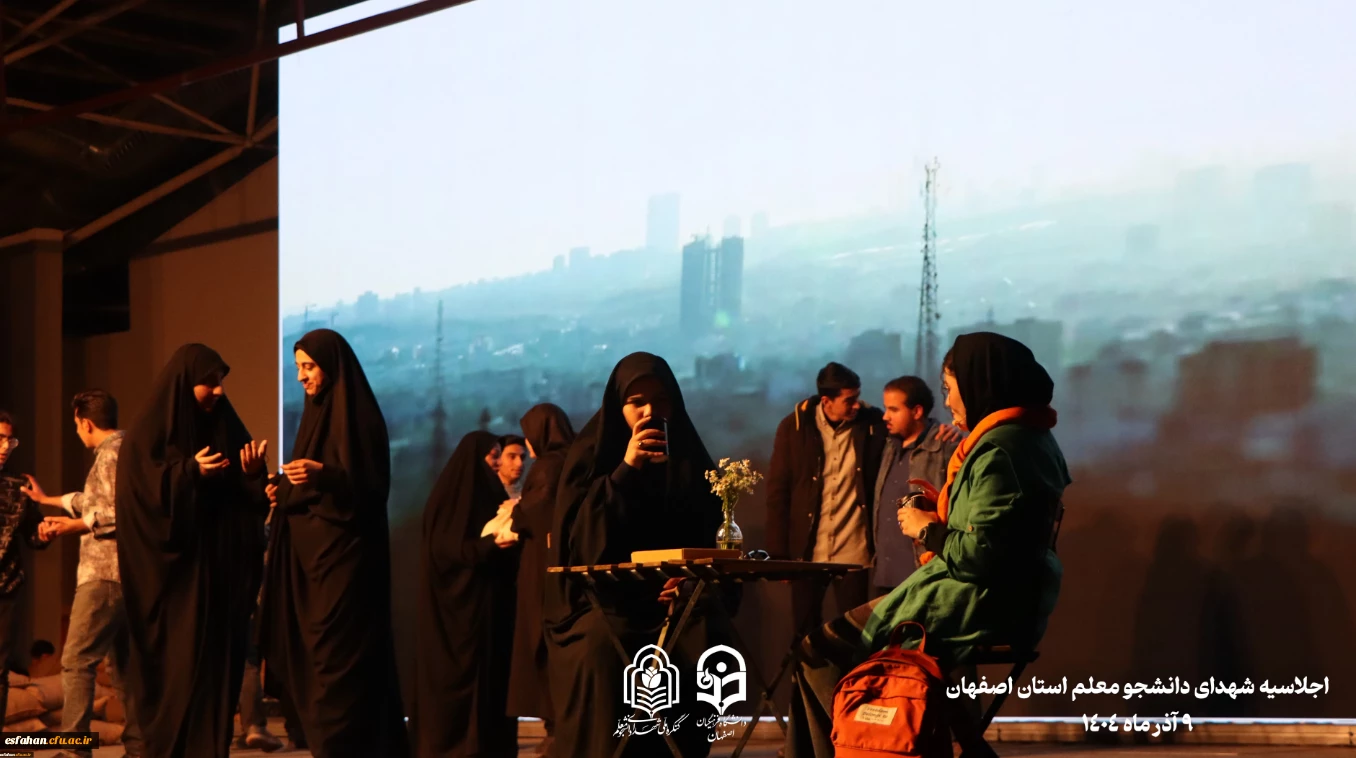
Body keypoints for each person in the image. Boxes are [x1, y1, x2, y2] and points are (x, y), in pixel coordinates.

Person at [783, 333, 1071, 758]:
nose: (948, 401)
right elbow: (998, 533)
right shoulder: (1028, 439)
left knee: (817, 653)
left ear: (979, 385)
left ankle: (859, 743)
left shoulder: (1001, 452)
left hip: (974, 601)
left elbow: (982, 555)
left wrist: (926, 529)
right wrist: (942, 513)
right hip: (1000, 598)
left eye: (951, 388)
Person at [543, 352, 725, 758]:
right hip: (602, 602)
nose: (649, 412)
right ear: (618, 406)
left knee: (705, 635)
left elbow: (709, 537)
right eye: (636, 402)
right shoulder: (590, 456)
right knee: (602, 648)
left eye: (660, 401)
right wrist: (626, 469)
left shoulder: (690, 459)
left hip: (668, 601)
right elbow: (580, 545)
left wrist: (689, 583)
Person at [258, 328, 409, 758]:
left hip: (346, 569)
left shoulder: (360, 420)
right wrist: (281, 490)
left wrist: (324, 476)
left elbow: (370, 488)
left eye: (309, 367)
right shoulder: (314, 417)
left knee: (340, 669)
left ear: (332, 366)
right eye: (298, 368)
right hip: (312, 570)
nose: (301, 377)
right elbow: (305, 489)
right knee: (316, 667)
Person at [115, 344, 270, 758]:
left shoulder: (226, 427)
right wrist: (188, 472)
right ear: (185, 384)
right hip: (174, 590)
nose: (219, 391)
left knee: (214, 677)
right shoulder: (148, 435)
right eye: (209, 382)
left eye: (221, 382)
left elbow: (247, 501)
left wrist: (253, 477)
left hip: (219, 585)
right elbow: (139, 496)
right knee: (178, 674)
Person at [767, 363, 958, 634]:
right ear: (826, 401)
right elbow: (778, 490)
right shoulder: (796, 427)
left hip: (854, 551)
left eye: (857, 397)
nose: (857, 405)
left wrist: (944, 430)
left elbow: (917, 429)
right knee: (804, 632)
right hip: (808, 552)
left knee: (855, 632)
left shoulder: (872, 423)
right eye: (849, 400)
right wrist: (779, 553)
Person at [21, 390, 144, 758]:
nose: (76, 431)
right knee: (124, 667)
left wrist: (71, 526)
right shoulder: (122, 451)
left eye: (76, 425)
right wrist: (48, 501)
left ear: (86, 423)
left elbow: (118, 513)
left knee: (76, 662)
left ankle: (74, 748)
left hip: (104, 575)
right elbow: (92, 501)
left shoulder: (111, 455)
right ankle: (141, 747)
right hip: (124, 576)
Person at [414, 430, 520, 757]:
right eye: (493, 455)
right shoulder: (449, 500)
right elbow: (446, 551)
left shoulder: (492, 496)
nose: (498, 462)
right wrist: (488, 546)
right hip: (455, 617)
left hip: (487, 612)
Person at [506, 404, 576, 757]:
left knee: (541, 643)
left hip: (542, 568)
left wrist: (516, 512)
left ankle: (556, 731)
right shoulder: (572, 460)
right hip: (557, 567)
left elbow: (536, 509)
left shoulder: (549, 465)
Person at [871, 376, 962, 597]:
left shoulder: (945, 445)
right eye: (885, 408)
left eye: (894, 409)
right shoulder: (888, 444)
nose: (885, 416)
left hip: (921, 574)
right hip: (884, 574)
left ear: (917, 411)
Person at [0, 410, 53, 718]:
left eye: (10, 440)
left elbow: (33, 533)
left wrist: (44, 532)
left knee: (0, 668)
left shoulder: (18, 486)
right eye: (0, 439)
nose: (5, 447)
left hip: (6, 587)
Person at [498, 434, 528, 498]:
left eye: (522, 457)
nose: (519, 463)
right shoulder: (485, 494)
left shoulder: (530, 494)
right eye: (512, 457)